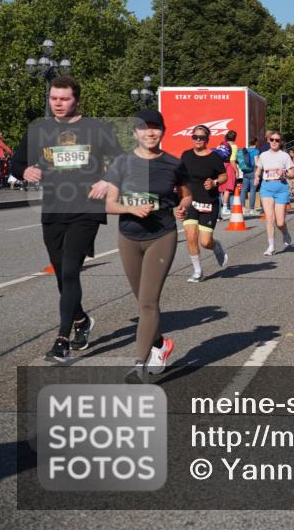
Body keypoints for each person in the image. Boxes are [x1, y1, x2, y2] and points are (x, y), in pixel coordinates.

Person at [9, 76, 123, 362]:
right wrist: (24, 171)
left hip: (86, 209)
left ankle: (62, 339)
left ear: (77, 100)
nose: (58, 103)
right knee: (61, 274)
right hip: (53, 209)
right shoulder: (40, 129)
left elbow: (122, 160)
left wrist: (107, 181)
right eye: (53, 98)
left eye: (64, 98)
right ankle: (82, 320)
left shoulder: (96, 129)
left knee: (71, 270)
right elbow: (17, 161)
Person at [103, 109, 191, 383]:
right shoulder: (121, 163)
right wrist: (131, 207)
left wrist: (183, 208)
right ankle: (161, 344)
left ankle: (139, 366)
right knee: (141, 300)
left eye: (155, 128)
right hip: (129, 237)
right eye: (143, 128)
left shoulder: (174, 164)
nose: (150, 132)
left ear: (162, 132)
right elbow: (108, 204)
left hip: (161, 236)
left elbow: (186, 196)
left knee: (148, 302)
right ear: (135, 133)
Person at [179, 125, 230, 282]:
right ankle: (198, 271)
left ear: (207, 139)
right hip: (191, 202)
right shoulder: (186, 155)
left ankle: (216, 246)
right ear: (192, 138)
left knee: (205, 241)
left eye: (202, 137)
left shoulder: (213, 158)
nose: (198, 140)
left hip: (209, 202)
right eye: (195, 137)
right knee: (190, 236)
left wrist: (214, 182)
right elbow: (181, 179)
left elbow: (224, 176)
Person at [254, 131, 294, 255]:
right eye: (272, 139)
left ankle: (285, 233)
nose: (274, 142)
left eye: (277, 140)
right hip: (266, 187)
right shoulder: (263, 155)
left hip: (281, 187)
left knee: (280, 222)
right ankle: (271, 246)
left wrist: (284, 173)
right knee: (270, 218)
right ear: (268, 140)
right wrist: (256, 177)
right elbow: (259, 169)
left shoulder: (285, 156)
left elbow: (292, 174)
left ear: (280, 142)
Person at [238, 136, 259, 215]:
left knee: (244, 190)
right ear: (256, 143)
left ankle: (242, 208)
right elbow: (256, 163)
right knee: (252, 190)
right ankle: (251, 209)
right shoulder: (255, 151)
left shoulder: (245, 150)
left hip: (245, 172)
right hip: (253, 172)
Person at [223, 130, 241, 215]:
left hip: (221, 166)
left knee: (221, 189)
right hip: (229, 167)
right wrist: (237, 170)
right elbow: (232, 160)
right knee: (228, 188)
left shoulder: (222, 144)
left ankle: (220, 212)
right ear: (235, 138)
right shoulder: (234, 146)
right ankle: (225, 207)